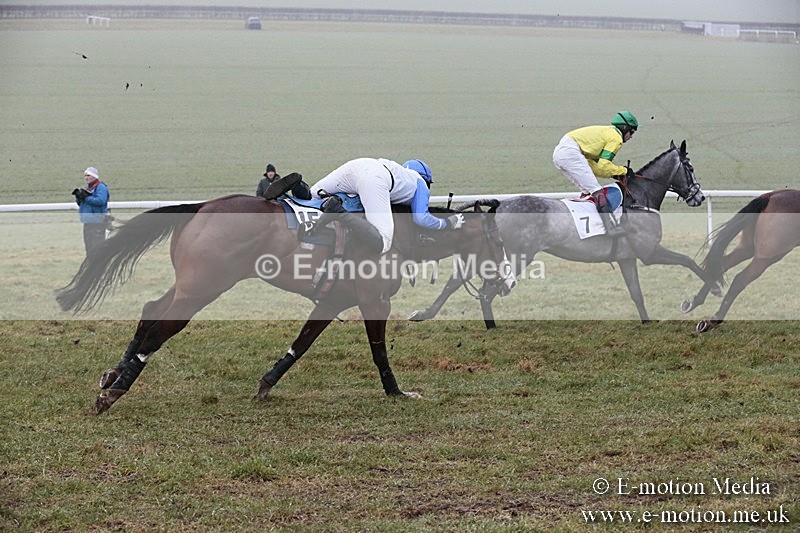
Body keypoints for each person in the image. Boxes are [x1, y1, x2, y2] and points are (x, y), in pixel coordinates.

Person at [309, 158, 464, 254]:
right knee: (383, 243)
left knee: (312, 195)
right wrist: (448, 223)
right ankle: (339, 212)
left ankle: (294, 187)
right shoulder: (420, 182)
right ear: (426, 179)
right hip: (375, 178)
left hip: (358, 164)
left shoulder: (400, 172)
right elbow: (421, 218)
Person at [553, 110, 639, 237]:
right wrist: (624, 171)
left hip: (562, 153)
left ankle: (582, 227)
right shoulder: (616, 138)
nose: (631, 137)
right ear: (625, 128)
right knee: (598, 192)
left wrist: (616, 174)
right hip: (571, 153)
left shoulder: (607, 132)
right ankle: (610, 229)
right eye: (631, 132)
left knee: (587, 191)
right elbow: (603, 167)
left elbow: (597, 168)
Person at [72, 166, 110, 254]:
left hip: (98, 222)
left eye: (88, 175)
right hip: (88, 222)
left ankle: (99, 265)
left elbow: (100, 201)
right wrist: (79, 198)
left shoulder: (101, 187)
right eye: (85, 175)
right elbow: (81, 204)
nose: (86, 178)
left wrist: (86, 198)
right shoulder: (86, 188)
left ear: (94, 176)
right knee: (89, 248)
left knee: (97, 247)